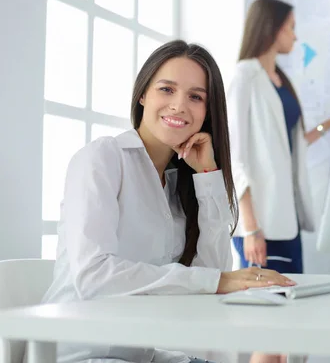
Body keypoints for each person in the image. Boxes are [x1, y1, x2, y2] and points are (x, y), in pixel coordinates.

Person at [41, 40, 295, 363]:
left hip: (138, 354)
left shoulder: (178, 187)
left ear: (207, 112)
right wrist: (215, 282)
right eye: (166, 89)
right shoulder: (102, 159)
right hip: (79, 353)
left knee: (271, 356)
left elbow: (212, 273)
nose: (179, 106)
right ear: (143, 95)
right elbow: (94, 276)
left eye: (195, 97)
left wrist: (208, 177)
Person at [227, 0, 330, 363]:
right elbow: (236, 155)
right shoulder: (245, 76)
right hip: (261, 225)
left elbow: (289, 146)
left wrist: (329, 124)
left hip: (287, 222)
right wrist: (250, 227)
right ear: (272, 28)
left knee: (291, 324)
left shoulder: (280, 79)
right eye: (291, 26)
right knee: (270, 330)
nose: (295, 34)